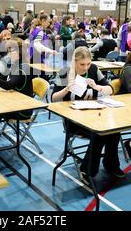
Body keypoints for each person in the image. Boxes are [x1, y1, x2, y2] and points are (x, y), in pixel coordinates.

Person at [52, 47, 124, 184]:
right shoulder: (64, 73)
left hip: (95, 113)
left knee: (114, 129)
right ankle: (87, 169)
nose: (86, 67)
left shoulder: (94, 69)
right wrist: (66, 88)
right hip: (72, 119)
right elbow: (53, 98)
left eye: (88, 64)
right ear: (74, 62)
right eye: (82, 64)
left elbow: (111, 89)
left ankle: (111, 164)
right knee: (100, 132)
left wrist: (98, 87)